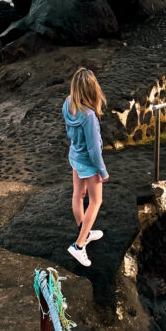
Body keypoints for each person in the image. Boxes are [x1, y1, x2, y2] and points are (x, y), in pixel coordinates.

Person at [63, 67, 109, 267]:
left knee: (78, 195)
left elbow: (68, 131)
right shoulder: (89, 116)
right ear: (92, 89)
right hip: (89, 163)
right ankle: (79, 245)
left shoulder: (68, 103)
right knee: (96, 201)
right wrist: (103, 171)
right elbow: (93, 149)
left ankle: (85, 231)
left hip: (74, 156)